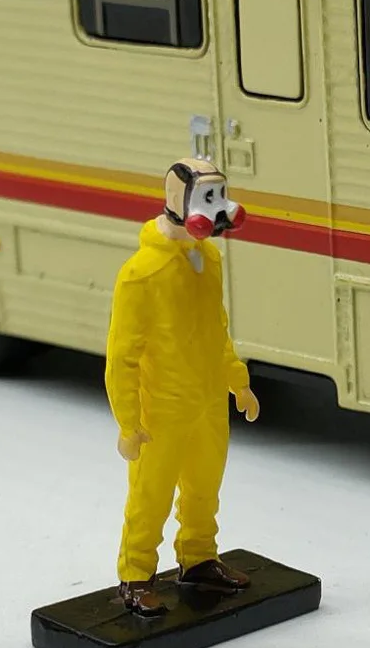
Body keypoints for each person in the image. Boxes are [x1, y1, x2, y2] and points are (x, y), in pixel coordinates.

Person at [105, 158, 260, 617]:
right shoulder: (142, 273)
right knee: (150, 495)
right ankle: (136, 575)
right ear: (179, 201)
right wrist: (128, 423)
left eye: (219, 196)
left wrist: (237, 382)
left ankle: (199, 559)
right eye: (208, 198)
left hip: (208, 401)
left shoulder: (207, 259)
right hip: (162, 410)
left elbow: (216, 328)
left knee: (204, 489)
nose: (219, 208)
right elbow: (122, 356)